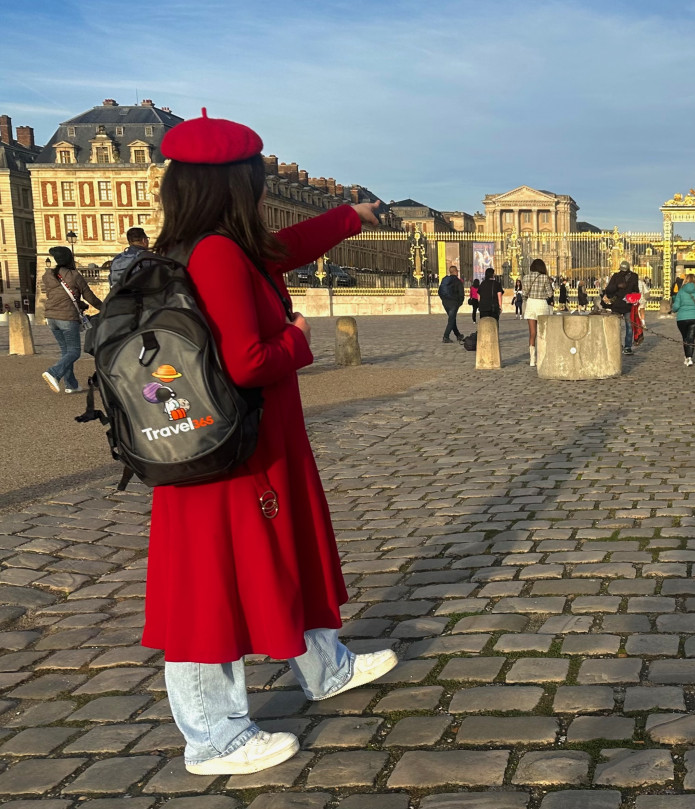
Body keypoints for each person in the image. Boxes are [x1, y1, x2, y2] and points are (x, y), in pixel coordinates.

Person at [145, 109, 397, 776]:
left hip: (242, 445)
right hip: (229, 454)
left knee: (285, 557)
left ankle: (325, 665)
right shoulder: (219, 253)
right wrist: (299, 334)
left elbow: (289, 249)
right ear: (235, 184)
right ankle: (213, 735)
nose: (263, 194)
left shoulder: (211, 243)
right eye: (255, 182)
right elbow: (247, 360)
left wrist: (350, 216)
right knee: (209, 587)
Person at [40, 246, 103, 395]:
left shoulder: (48, 275)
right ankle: (53, 372)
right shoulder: (74, 275)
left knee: (65, 352)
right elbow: (90, 297)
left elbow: (59, 296)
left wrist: (79, 304)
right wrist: (106, 308)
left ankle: (71, 385)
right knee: (74, 352)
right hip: (67, 318)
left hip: (51, 318)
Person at [602, 260, 640, 355]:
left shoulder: (625, 276)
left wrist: (617, 287)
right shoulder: (628, 276)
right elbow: (609, 290)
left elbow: (609, 290)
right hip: (621, 305)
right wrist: (618, 286)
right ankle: (624, 346)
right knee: (624, 326)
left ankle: (624, 346)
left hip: (623, 305)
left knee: (624, 326)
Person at [522, 258, 554, 367]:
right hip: (541, 304)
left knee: (532, 333)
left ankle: (532, 360)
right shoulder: (545, 278)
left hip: (531, 303)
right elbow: (550, 294)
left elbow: (524, 293)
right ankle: (543, 357)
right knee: (542, 332)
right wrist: (544, 295)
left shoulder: (526, 277)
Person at [670, 272, 695, 367]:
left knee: (685, 338)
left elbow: (676, 306)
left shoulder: (681, 291)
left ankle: (687, 357)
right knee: (691, 337)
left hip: (682, 318)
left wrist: (673, 309)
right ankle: (689, 358)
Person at [437, 264, 465, 342]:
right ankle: (446, 336)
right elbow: (461, 294)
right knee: (451, 320)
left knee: (452, 319)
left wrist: (444, 299)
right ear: (456, 272)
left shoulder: (445, 280)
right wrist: (459, 303)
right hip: (454, 303)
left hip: (445, 302)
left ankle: (458, 335)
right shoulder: (458, 281)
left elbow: (439, 291)